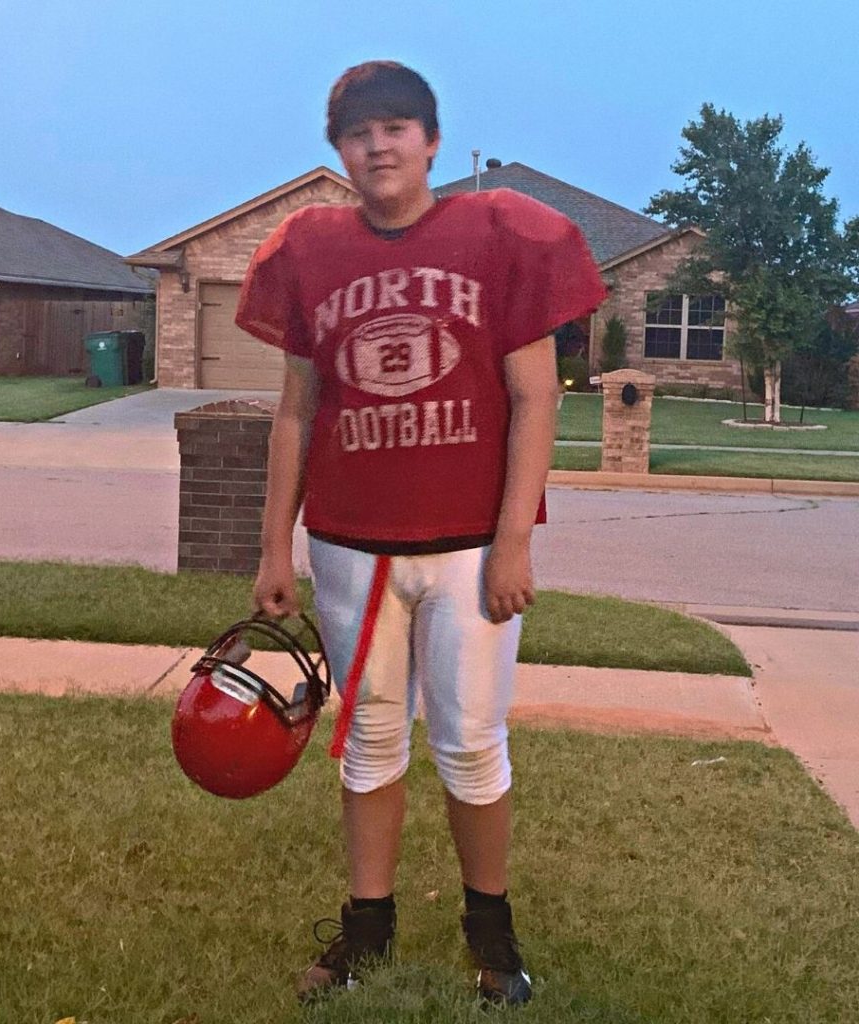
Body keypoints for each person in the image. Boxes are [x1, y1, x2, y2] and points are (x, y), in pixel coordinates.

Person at [235, 60, 605, 1006]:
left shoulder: (496, 234)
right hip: (350, 543)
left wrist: (515, 540)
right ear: (339, 154)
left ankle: (493, 934)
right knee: (368, 740)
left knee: (473, 742)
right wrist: (275, 547)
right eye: (359, 134)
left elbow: (534, 396)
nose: (378, 146)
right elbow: (295, 415)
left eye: (396, 127)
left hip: (470, 546)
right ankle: (368, 929)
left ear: (431, 140)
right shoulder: (309, 250)